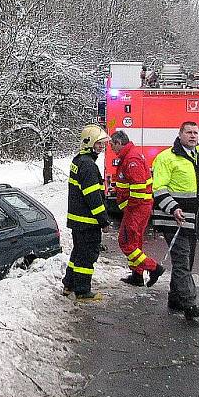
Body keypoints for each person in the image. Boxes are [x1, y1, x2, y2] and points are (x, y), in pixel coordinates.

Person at [151, 121, 199, 320]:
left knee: (186, 261)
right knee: (182, 260)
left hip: (194, 220)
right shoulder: (166, 158)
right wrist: (173, 208)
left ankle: (175, 297)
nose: (193, 136)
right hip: (172, 220)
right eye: (189, 132)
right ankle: (189, 304)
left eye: (195, 133)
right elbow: (159, 188)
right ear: (180, 134)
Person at [109, 130, 165, 288]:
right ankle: (137, 275)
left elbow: (138, 188)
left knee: (126, 243)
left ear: (120, 143)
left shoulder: (132, 159)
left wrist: (128, 207)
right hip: (138, 207)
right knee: (134, 241)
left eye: (112, 144)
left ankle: (154, 268)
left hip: (136, 208)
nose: (111, 148)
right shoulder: (129, 156)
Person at [63, 124, 112, 302]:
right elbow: (93, 197)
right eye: (99, 143)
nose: (101, 147)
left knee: (78, 253)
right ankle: (83, 291)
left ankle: (69, 284)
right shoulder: (89, 166)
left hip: (78, 221)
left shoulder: (78, 161)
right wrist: (103, 221)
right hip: (87, 221)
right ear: (89, 143)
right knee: (87, 256)